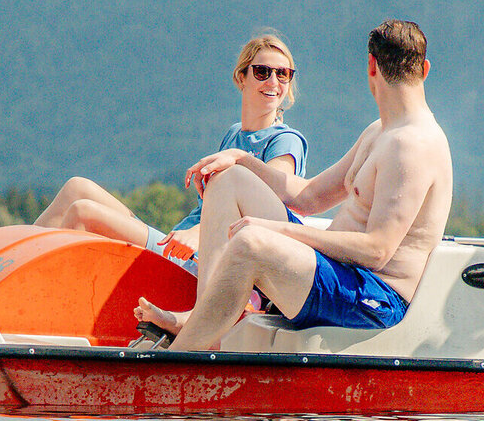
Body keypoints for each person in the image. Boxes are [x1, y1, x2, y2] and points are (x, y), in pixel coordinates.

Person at [134, 20, 453, 351]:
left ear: (371, 66)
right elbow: (310, 196)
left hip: (375, 298)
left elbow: (376, 251)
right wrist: (242, 158)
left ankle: (184, 357)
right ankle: (202, 319)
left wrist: (277, 231)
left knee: (252, 243)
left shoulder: (412, 144)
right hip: (339, 276)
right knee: (228, 179)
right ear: (425, 69)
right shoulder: (379, 132)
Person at [30, 34, 307, 263]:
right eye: (262, 72)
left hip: (199, 258)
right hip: (175, 242)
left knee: (83, 212)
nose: (273, 82)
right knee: (76, 187)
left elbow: (269, 211)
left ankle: (33, 294)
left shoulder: (284, 141)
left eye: (283, 74)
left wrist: (199, 233)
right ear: (241, 77)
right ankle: (14, 262)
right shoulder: (235, 134)